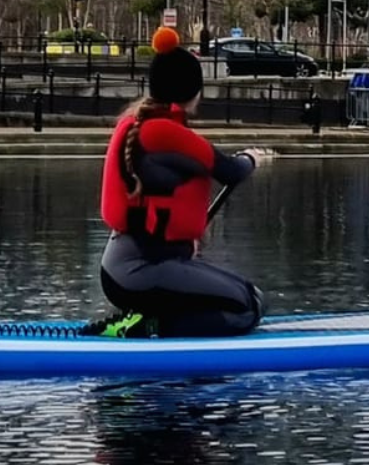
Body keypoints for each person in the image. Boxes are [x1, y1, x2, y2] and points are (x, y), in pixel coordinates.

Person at [82, 26, 271, 339]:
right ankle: (145, 327)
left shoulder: (144, 126)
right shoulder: (165, 133)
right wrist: (252, 157)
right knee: (246, 309)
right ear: (191, 90)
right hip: (139, 270)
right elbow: (231, 170)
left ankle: (148, 321)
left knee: (251, 299)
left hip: (136, 264)